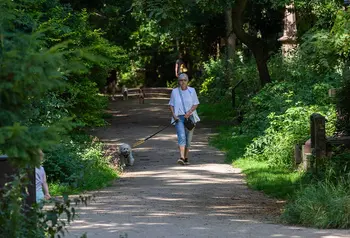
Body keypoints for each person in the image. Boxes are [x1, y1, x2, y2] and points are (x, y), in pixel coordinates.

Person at [169, 73, 200, 165]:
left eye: (184, 80)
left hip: (190, 117)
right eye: (181, 80)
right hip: (178, 118)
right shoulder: (174, 91)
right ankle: (181, 157)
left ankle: (186, 158)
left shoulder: (192, 91)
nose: (182, 82)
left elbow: (196, 103)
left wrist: (189, 112)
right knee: (181, 136)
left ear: (187, 81)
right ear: (178, 81)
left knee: (188, 139)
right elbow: (171, 104)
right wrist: (174, 115)